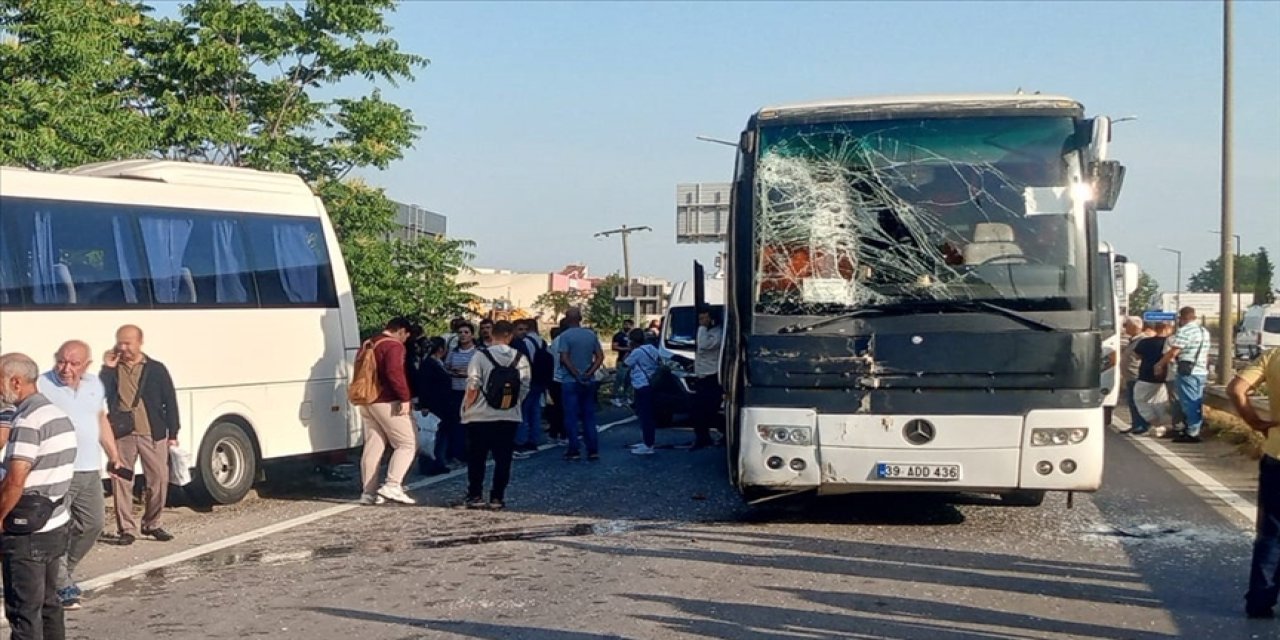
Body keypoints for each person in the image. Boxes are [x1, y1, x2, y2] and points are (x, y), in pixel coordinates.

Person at [37, 340, 123, 610]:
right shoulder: (41, 385)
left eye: (73, 363)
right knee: (57, 527)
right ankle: (62, 586)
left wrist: (114, 454)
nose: (66, 368)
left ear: (86, 365)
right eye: (61, 361)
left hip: (89, 469)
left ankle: (60, 574)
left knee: (92, 524)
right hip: (56, 470)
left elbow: (100, 419)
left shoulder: (94, 385)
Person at [0, 352, 77, 640]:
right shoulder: (56, 413)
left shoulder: (27, 421)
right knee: (49, 605)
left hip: (26, 529)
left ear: (16, 381)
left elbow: (16, 479)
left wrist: (0, 517)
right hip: (55, 521)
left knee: (23, 611)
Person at [100, 325, 179, 544]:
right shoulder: (113, 370)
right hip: (123, 433)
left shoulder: (156, 369)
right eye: (120, 343)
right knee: (122, 481)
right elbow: (100, 394)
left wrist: (173, 431)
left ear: (140, 342)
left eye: (128, 343)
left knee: (158, 480)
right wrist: (107, 369)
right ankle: (126, 529)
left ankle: (152, 524)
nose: (123, 347)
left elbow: (169, 400)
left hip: (152, 433)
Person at [1231, 348, 1280, 618]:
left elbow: (1236, 389)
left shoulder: (1273, 357)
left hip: (1277, 454)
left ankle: (1260, 601)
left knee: (1272, 533)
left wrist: (1254, 421)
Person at [461, 321, 530, 509]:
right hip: (509, 416)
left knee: (477, 458)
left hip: (480, 415)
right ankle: (497, 497)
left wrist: (467, 407)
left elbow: (473, 384)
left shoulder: (480, 356)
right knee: (503, 459)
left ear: (493, 335)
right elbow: (524, 386)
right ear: (510, 336)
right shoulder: (520, 358)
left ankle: (475, 495)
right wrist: (513, 404)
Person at [354, 317, 417, 505]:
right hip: (387, 400)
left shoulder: (368, 343)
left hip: (366, 399)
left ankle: (368, 492)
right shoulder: (393, 346)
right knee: (407, 443)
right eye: (406, 335)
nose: (405, 339)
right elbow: (394, 373)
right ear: (401, 331)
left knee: (374, 444)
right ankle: (393, 484)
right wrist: (405, 398)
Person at [1157, 306, 1211, 443]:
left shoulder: (1185, 331)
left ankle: (1192, 432)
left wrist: (1160, 364)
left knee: (1188, 402)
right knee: (1196, 401)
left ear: (1182, 318)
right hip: (1201, 370)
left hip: (1188, 371)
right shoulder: (1204, 331)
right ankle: (1194, 429)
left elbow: (1174, 352)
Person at [558, 308, 604, 461]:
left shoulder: (564, 336)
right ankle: (593, 449)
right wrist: (589, 373)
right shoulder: (591, 335)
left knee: (571, 416)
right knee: (588, 416)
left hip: (570, 381)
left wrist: (576, 374)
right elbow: (599, 357)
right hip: (588, 381)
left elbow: (564, 358)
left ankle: (574, 449)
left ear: (566, 319)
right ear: (580, 318)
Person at [440, 323, 478, 466]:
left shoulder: (477, 353)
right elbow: (446, 367)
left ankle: (469, 452)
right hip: (455, 390)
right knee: (456, 423)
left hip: (471, 391)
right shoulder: (453, 352)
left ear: (472, 335)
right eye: (460, 332)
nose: (463, 335)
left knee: (470, 423)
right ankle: (456, 452)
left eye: (466, 332)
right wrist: (453, 372)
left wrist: (466, 373)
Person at [413, 337, 452, 476]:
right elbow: (424, 386)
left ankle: (439, 462)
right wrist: (424, 405)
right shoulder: (429, 364)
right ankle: (429, 465)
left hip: (442, 404)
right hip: (434, 404)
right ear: (441, 349)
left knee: (439, 435)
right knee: (431, 435)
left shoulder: (438, 363)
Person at [511, 320, 549, 456]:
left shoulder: (518, 344)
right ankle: (533, 439)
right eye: (520, 329)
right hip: (537, 380)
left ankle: (520, 442)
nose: (523, 332)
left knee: (523, 412)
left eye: (524, 329)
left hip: (526, 381)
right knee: (534, 411)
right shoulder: (538, 342)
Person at [624, 329, 663, 455]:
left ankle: (648, 445)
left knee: (644, 416)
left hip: (641, 385)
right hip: (651, 383)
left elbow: (626, 363)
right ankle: (647, 441)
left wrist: (629, 350)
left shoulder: (636, 352)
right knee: (648, 415)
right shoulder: (651, 348)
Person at [691, 307, 724, 450]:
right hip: (701, 376)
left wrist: (702, 328)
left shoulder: (717, 333)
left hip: (712, 376)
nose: (701, 322)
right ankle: (702, 438)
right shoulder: (707, 332)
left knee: (710, 411)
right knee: (697, 411)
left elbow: (703, 345)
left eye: (704, 318)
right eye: (700, 319)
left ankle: (726, 431)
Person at [1120, 319, 1156, 435]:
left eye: (1127, 326)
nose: (1125, 328)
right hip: (1130, 376)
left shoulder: (1143, 340)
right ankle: (1135, 424)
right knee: (1132, 401)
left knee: (1138, 401)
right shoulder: (1133, 340)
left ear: (1135, 327)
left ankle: (1142, 425)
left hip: (1137, 375)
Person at [611, 319, 635, 407]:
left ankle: (626, 396)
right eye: (625, 325)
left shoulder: (633, 336)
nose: (627, 327)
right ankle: (614, 396)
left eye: (629, 325)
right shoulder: (618, 335)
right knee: (620, 378)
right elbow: (614, 347)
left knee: (629, 380)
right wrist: (626, 349)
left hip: (632, 361)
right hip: (622, 360)